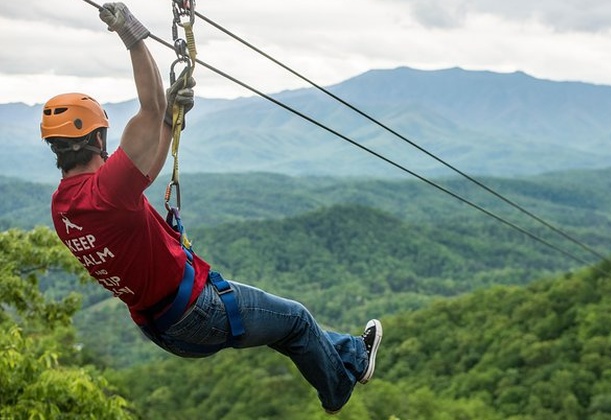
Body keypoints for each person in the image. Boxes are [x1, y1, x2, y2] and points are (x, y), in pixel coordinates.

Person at [41, 3, 382, 414]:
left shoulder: (64, 206)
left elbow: (145, 166)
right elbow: (148, 109)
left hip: (164, 326)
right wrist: (132, 38)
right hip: (199, 311)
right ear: (98, 138)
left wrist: (170, 122)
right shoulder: (107, 191)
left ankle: (349, 354)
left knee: (284, 328)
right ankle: (340, 387)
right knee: (295, 318)